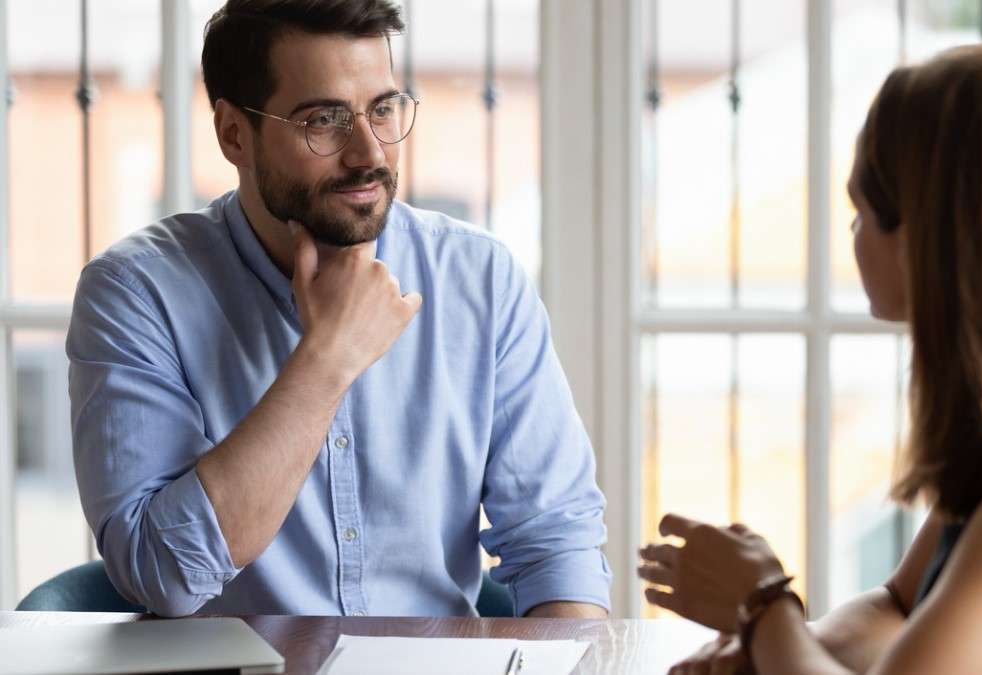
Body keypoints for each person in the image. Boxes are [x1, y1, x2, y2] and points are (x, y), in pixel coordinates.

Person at [639, 44, 982, 674]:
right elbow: (901, 607)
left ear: (925, 241)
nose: (852, 235)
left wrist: (766, 605)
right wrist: (764, 653)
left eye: (862, 211)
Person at [67, 0, 610, 619]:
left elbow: (558, 549)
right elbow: (161, 576)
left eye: (382, 109)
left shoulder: (478, 279)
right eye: (323, 120)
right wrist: (326, 361)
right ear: (233, 134)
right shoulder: (135, 293)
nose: (368, 152)